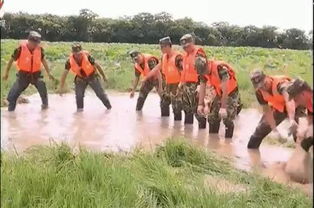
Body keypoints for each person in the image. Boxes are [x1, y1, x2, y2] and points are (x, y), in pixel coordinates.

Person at [247, 70, 304, 149]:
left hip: (296, 105)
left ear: (267, 77)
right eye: (260, 86)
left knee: (299, 134)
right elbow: (267, 110)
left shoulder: (281, 84)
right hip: (278, 107)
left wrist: (291, 119)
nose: (263, 87)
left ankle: (304, 154)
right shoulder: (259, 92)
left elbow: (289, 100)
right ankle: (252, 155)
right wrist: (275, 131)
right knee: (260, 130)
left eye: (264, 84)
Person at [2, 31, 54, 111]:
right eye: (34, 42)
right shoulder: (20, 49)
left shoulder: (40, 50)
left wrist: (49, 73)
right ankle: (11, 112)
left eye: (37, 43)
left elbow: (43, 61)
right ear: (29, 41)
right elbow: (11, 61)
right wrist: (6, 73)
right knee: (13, 96)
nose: (36, 45)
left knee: (43, 90)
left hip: (36, 74)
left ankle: (45, 109)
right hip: (23, 75)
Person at [58, 43, 112, 112]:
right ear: (73, 53)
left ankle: (109, 108)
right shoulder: (69, 61)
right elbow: (64, 75)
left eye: (79, 53)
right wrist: (61, 88)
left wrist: (104, 77)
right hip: (81, 78)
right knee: (79, 96)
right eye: (76, 54)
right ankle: (79, 112)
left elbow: (98, 66)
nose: (78, 55)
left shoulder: (88, 57)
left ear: (82, 52)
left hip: (92, 76)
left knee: (100, 94)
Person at [197, 60, 242, 138]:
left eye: (203, 71)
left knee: (227, 118)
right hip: (219, 92)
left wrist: (223, 107)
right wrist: (200, 104)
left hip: (231, 92)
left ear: (207, 65)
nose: (203, 73)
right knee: (212, 117)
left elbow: (226, 89)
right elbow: (202, 87)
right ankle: (213, 141)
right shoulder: (202, 72)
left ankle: (228, 143)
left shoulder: (221, 69)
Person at [143, 37, 183, 120]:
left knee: (176, 107)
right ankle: (165, 124)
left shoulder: (178, 57)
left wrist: (180, 86)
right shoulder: (164, 56)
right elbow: (157, 69)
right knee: (164, 103)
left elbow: (184, 72)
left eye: (162, 47)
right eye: (160, 47)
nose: (161, 49)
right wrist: (147, 78)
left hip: (177, 85)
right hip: (168, 85)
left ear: (168, 46)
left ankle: (177, 127)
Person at [178, 34, 208, 128]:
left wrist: (200, 86)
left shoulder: (198, 53)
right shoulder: (186, 55)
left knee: (197, 109)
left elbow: (204, 70)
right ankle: (187, 132)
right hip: (186, 85)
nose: (185, 48)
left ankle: (202, 131)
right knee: (186, 108)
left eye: (187, 46)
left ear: (192, 43)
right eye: (183, 47)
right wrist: (181, 82)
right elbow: (184, 71)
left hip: (196, 84)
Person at [284, 78, 313, 152]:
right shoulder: (309, 102)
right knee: (305, 144)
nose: (295, 103)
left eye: (296, 99)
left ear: (303, 94)